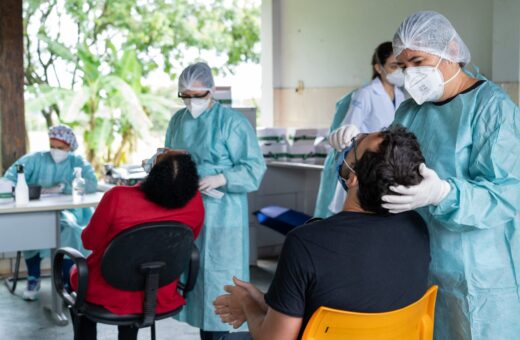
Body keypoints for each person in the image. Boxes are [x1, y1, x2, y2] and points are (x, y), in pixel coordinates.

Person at [329, 11, 520, 340]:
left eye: (417, 60)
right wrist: (353, 146)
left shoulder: (493, 109)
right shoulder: (410, 110)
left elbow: (506, 196)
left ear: (450, 50)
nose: (410, 74)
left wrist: (444, 194)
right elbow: (384, 171)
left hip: (475, 275)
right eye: (403, 66)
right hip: (415, 262)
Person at [213, 126, 431, 340]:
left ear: (354, 177)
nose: (351, 142)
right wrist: (266, 302)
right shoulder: (416, 227)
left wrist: (247, 303)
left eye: (356, 144)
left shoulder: (306, 243)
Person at [162, 62, 266, 340]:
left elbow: (254, 168)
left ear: (212, 91)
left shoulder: (232, 123)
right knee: (194, 281)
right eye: (186, 95)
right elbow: (169, 156)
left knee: (222, 282)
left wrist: (222, 178)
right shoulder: (178, 121)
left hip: (223, 215)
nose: (192, 101)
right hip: (189, 211)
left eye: (198, 95)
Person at [69, 152, 204, 340]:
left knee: (77, 279)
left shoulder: (118, 197)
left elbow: (89, 241)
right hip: (158, 289)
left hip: (108, 290)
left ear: (152, 174)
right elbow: (184, 242)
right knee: (135, 273)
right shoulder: (195, 201)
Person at [2, 124, 97, 301]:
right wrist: (24, 189)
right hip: (36, 211)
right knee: (30, 230)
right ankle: (33, 278)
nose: (55, 151)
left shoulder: (78, 162)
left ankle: (69, 282)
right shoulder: (34, 159)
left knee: (69, 229)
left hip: (68, 212)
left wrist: (65, 187)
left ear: (70, 147)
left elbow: (92, 183)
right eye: (52, 146)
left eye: (60, 148)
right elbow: (8, 179)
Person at [315, 41, 406, 218]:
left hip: (387, 168)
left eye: (401, 66)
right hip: (364, 167)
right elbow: (349, 130)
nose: (399, 71)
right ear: (379, 68)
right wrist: (347, 134)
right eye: (393, 66)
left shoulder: (402, 95)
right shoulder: (366, 93)